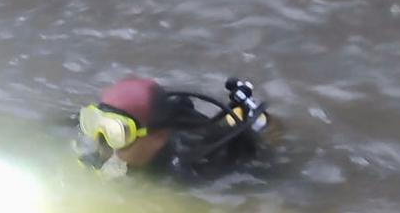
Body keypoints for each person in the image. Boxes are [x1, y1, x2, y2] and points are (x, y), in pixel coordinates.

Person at [75, 76, 269, 179]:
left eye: (117, 133)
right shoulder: (103, 149)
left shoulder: (193, 169)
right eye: (96, 123)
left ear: (158, 138)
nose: (102, 144)